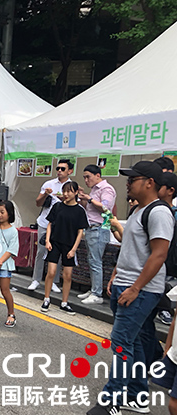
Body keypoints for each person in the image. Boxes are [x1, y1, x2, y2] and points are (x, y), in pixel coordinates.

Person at [87, 161, 173, 415]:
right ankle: (137, 397)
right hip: (128, 285)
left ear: (149, 183)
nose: (127, 183)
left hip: (142, 290)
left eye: (133, 179)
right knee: (133, 342)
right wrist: (116, 277)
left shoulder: (158, 212)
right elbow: (132, 249)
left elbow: (159, 254)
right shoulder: (139, 210)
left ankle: (111, 399)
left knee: (121, 341)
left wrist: (135, 288)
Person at [41, 181, 89, 315]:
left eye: (69, 191)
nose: (66, 194)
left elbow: (80, 232)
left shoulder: (80, 211)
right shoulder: (57, 207)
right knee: (51, 272)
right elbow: (50, 224)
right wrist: (47, 240)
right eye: (64, 191)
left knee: (67, 276)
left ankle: (64, 302)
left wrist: (74, 249)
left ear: (76, 193)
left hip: (69, 245)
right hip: (55, 242)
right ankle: (46, 298)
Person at [28, 160, 73, 292]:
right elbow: (38, 203)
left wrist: (64, 198)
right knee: (41, 251)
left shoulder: (71, 186)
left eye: (63, 169)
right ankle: (36, 279)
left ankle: (53, 280)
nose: (59, 171)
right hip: (45, 221)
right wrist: (45, 194)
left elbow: (74, 203)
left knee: (56, 252)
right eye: (58, 168)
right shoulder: (49, 184)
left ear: (69, 171)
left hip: (61, 224)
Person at [77, 165, 117, 305]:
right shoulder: (94, 190)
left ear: (98, 175)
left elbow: (105, 207)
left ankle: (97, 293)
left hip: (99, 228)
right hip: (91, 228)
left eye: (88, 176)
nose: (86, 180)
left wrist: (89, 199)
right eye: (84, 177)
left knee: (96, 261)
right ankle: (94, 288)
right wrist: (83, 198)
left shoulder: (106, 189)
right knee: (92, 260)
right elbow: (90, 208)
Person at [150, 285, 177, 415]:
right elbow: (175, 320)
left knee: (174, 404)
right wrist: (168, 348)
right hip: (174, 354)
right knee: (173, 404)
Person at [156, 171, 177, 326]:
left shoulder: (171, 213)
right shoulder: (152, 209)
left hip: (169, 260)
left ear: (170, 190)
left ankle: (165, 310)